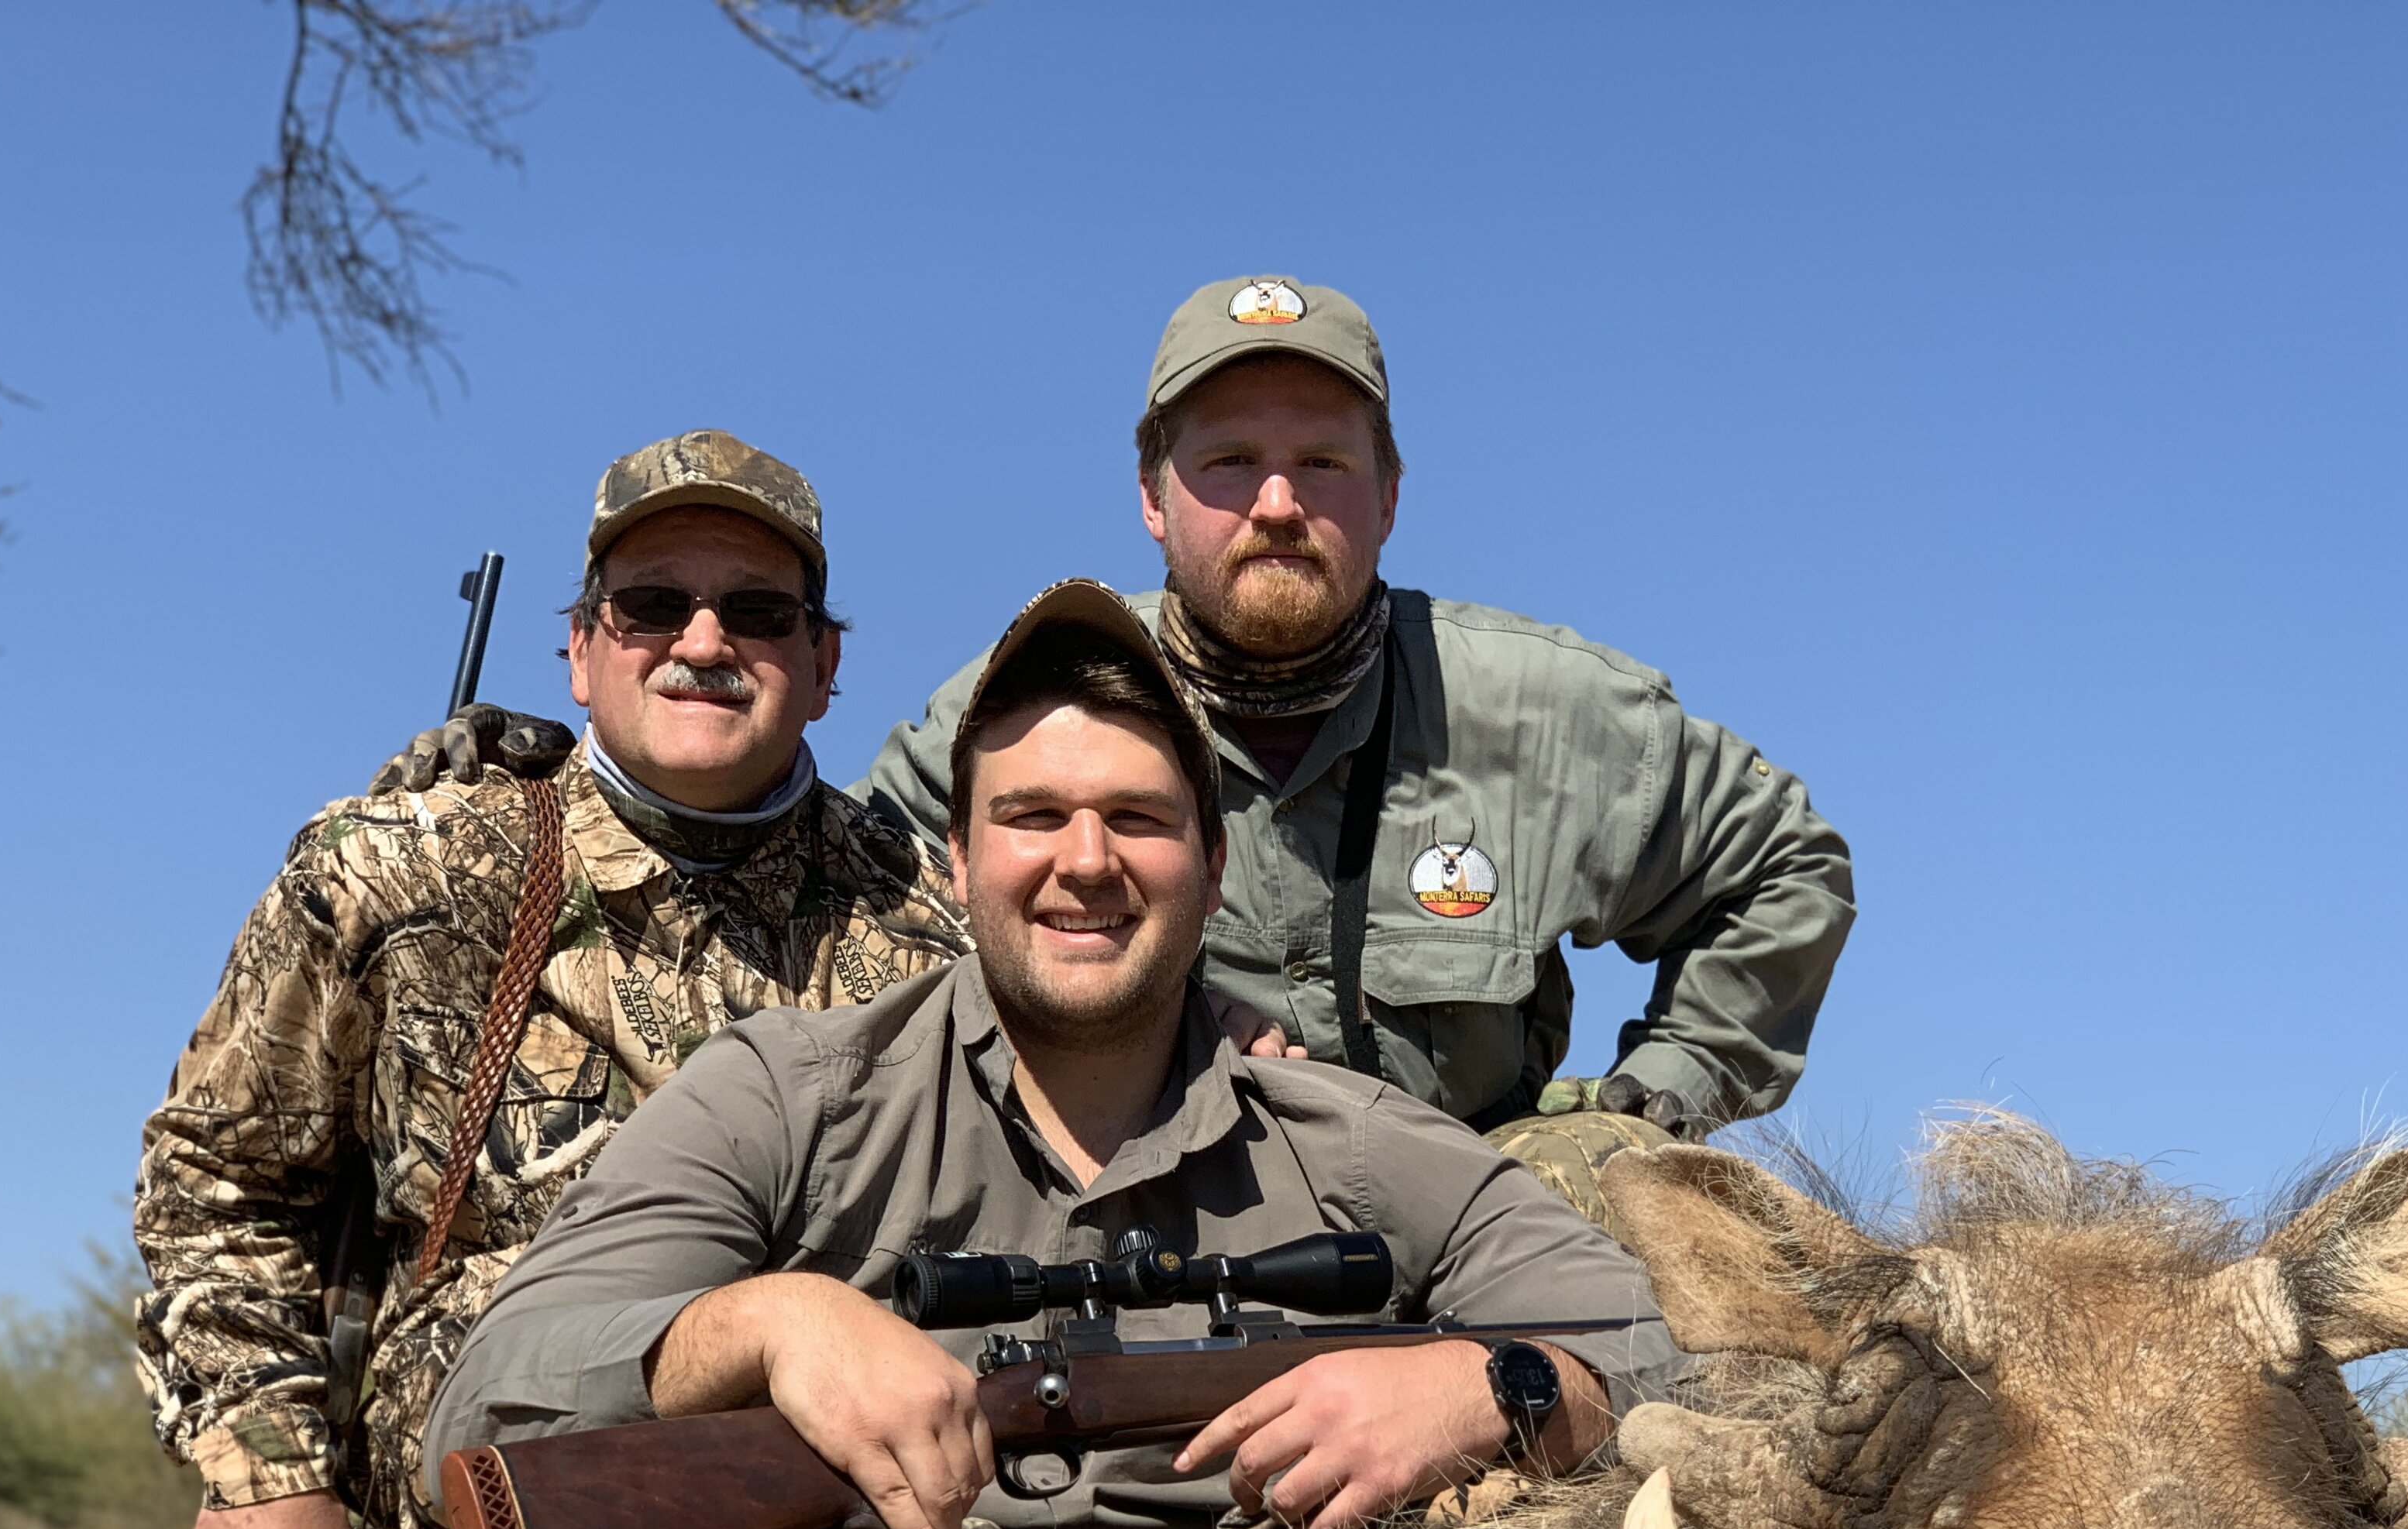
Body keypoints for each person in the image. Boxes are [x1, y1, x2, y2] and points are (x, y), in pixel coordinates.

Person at [421, 580, 1682, 1529]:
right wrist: (765, 1320)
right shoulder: (785, 1093)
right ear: (954, 862)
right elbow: (487, 1397)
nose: (1086, 861)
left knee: (1531, 1507)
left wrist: (1494, 1387)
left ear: (1213, 870)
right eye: (1031, 816)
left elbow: (1694, 1371)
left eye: (1138, 819)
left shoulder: (1357, 1139)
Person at [401, 277, 1855, 1209]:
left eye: (1321, 461)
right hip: (1143, 1239)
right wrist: (592, 772)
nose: (1276, 500)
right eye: (1228, 462)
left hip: (1466, 1249)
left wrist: (1647, 1109)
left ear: (1389, 495)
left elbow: (1786, 870)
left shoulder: (1547, 709)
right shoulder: (1021, 704)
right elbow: (833, 877)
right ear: (1155, 498)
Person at [133, 431, 968, 1529]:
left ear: (827, 664)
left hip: (824, 1445)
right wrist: (261, 1470)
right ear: (582, 654)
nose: (705, 643)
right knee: (514, 1341)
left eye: (759, 613)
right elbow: (221, 1176)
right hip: (502, 1427)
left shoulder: (936, 911)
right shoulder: (399, 868)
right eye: (653, 607)